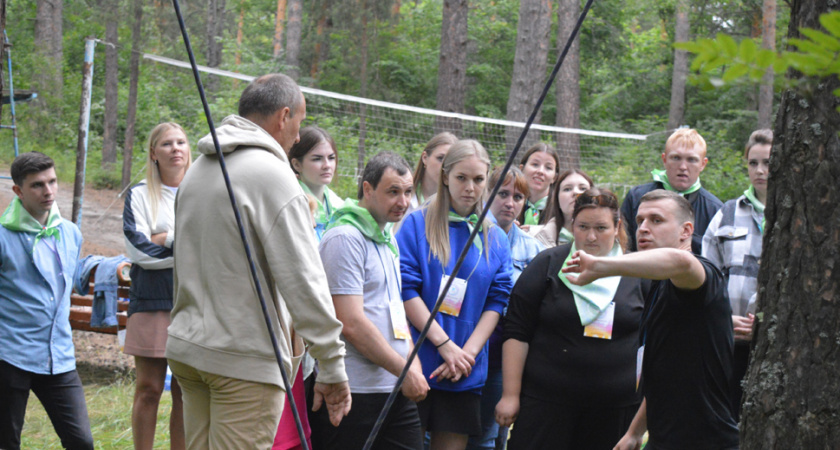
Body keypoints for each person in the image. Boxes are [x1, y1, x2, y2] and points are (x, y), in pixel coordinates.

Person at [166, 73, 351, 449]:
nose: (299, 137)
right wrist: (331, 364)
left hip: (189, 352)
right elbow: (304, 280)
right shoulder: (273, 176)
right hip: (242, 360)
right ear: (283, 117)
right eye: (298, 123)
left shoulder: (198, 169)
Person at [563, 190, 739, 450]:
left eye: (656, 220)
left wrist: (601, 266)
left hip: (706, 440)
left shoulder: (702, 275)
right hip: (663, 438)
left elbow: (681, 261)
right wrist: (635, 432)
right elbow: (664, 374)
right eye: (640, 220)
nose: (643, 228)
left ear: (686, 230)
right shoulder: (659, 287)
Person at [497, 188, 646, 450]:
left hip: (614, 410)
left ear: (617, 226)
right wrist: (510, 395)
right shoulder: (547, 264)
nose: (591, 236)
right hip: (545, 404)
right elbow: (517, 331)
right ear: (572, 225)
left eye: (601, 228)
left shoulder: (637, 271)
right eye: (583, 227)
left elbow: (652, 344)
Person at [396, 139, 514, 450]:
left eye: (478, 179)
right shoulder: (415, 224)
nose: (470, 188)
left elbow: (497, 300)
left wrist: (467, 355)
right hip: (418, 364)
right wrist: (445, 345)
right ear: (445, 175)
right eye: (461, 177)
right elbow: (406, 290)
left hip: (465, 368)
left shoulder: (496, 238)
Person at [312, 151, 429, 449]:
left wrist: (412, 364)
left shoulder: (387, 237)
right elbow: (350, 322)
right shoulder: (346, 237)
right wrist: (404, 371)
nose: (402, 202)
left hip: (393, 386)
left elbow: (395, 312)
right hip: (355, 390)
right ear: (367, 189)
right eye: (392, 192)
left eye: (407, 192)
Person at [0, 152, 94, 450]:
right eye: (37, 185)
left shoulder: (70, 233)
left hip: (59, 355)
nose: (48, 191)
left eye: (52, 181)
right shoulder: (3, 237)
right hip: (10, 354)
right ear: (18, 191)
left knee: (81, 441)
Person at [123, 123, 191, 450]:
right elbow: (138, 251)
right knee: (148, 389)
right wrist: (186, 246)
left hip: (194, 302)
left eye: (181, 142)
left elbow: (216, 246)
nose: (175, 148)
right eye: (166, 144)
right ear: (153, 153)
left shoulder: (203, 191)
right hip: (151, 300)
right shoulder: (139, 194)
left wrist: (163, 238)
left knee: (185, 391)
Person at [466, 166, 543, 450]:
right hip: (462, 347)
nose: (510, 203)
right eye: (502, 194)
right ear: (486, 193)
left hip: (504, 355)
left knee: (492, 435)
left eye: (519, 197)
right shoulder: (467, 234)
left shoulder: (533, 250)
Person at [702, 129, 772, 421]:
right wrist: (722, 316)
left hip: (777, 343)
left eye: (768, 163)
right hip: (729, 341)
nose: (760, 171)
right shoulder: (728, 213)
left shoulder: (803, 213)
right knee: (726, 421)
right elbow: (706, 276)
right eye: (753, 163)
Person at [621, 128, 722, 254]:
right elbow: (622, 246)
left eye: (691, 160)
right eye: (676, 158)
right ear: (664, 160)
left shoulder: (714, 209)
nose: (683, 167)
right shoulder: (636, 197)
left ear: (703, 164)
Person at [288, 126, 344, 238]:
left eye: (331, 158)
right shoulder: (290, 202)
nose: (327, 165)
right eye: (317, 159)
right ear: (297, 164)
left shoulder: (339, 206)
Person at [528, 169, 593, 248]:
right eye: (567, 189)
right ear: (557, 200)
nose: (576, 192)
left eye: (583, 188)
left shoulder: (609, 236)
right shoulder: (532, 236)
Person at [410, 132, 458, 212]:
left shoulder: (460, 207)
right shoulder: (404, 199)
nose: (445, 166)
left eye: (451, 161)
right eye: (440, 158)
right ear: (425, 158)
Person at [518, 143, 560, 226]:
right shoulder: (508, 202)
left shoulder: (560, 209)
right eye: (535, 164)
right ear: (521, 169)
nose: (540, 171)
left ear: (554, 178)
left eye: (548, 168)